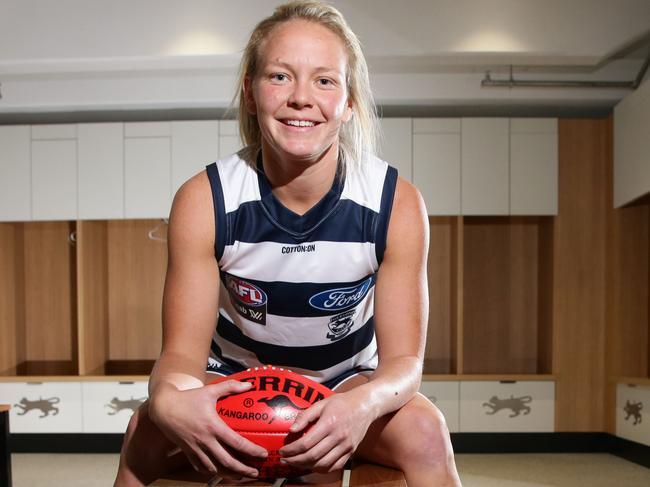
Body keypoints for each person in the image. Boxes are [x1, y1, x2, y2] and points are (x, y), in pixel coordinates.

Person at [114, 1, 461, 486]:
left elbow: (404, 363)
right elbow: (180, 357)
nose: (301, 97)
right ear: (251, 95)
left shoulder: (395, 202)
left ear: (349, 102)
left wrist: (361, 406)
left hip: (345, 380)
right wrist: (168, 398)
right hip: (238, 377)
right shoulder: (205, 199)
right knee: (142, 434)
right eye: (279, 76)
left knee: (427, 432)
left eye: (324, 80)